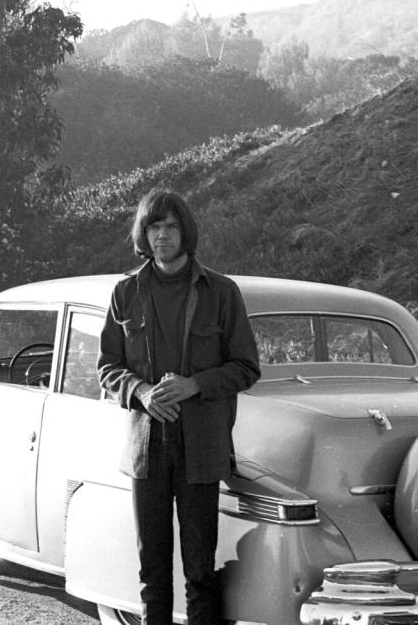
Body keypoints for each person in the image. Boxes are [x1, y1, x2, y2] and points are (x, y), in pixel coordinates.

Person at [98, 189, 261, 625]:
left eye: (171, 227)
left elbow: (246, 367)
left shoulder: (221, 293)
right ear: (144, 234)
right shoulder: (125, 292)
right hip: (147, 450)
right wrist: (141, 391)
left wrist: (194, 385)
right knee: (152, 571)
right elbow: (107, 368)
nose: (163, 236)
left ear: (185, 232)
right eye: (154, 227)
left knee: (200, 572)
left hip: (201, 448)